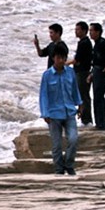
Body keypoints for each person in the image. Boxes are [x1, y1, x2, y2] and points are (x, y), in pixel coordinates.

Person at [38, 42, 82, 175]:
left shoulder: (70, 72)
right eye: (58, 58)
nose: (61, 60)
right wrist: (45, 113)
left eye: (63, 58)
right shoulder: (47, 75)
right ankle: (59, 169)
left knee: (73, 139)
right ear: (53, 58)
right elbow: (43, 96)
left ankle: (69, 164)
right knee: (56, 145)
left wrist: (80, 104)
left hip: (69, 112)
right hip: (54, 114)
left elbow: (75, 89)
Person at [71, 21, 94, 126]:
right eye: (75, 29)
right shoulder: (83, 42)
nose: (76, 31)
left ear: (84, 31)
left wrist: (63, 64)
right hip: (81, 72)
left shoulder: (84, 43)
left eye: (78, 29)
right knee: (82, 96)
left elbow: (76, 60)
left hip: (83, 73)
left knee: (83, 96)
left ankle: (86, 120)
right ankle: (85, 119)